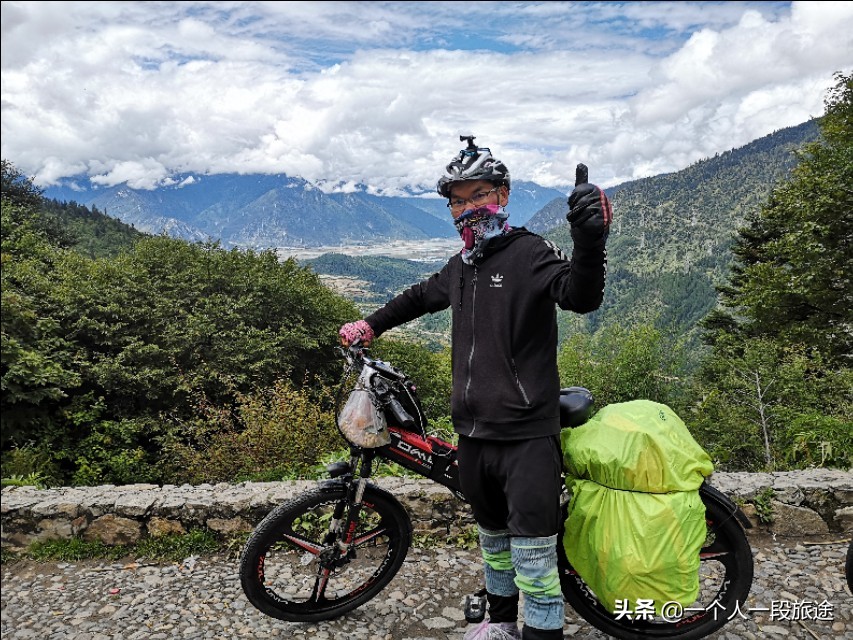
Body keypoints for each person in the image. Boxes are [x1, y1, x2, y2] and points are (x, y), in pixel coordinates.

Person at [339, 134, 611, 640]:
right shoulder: (463, 266)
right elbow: (418, 297)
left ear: (502, 195)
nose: (468, 209)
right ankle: (500, 627)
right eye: (457, 201)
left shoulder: (529, 252)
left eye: (478, 196)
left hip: (525, 434)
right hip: (473, 433)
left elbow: (580, 295)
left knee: (535, 559)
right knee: (495, 547)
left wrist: (590, 240)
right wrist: (369, 325)